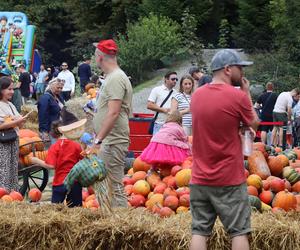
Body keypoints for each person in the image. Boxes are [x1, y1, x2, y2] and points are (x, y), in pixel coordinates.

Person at [190, 49, 260, 250]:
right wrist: (246, 94)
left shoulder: (197, 95)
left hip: (199, 177)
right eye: (240, 68)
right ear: (228, 69)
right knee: (238, 232)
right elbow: (253, 124)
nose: (242, 72)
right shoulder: (236, 96)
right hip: (228, 177)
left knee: (199, 231)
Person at [91, 39, 133, 207]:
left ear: (100, 56)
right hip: (110, 139)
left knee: (113, 187)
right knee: (107, 186)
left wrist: (98, 140)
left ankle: (120, 226)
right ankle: (110, 223)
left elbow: (114, 112)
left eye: (95, 54)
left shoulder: (116, 78)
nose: (94, 57)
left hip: (112, 140)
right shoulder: (112, 77)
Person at [31, 110, 85, 207]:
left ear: (54, 133)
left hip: (60, 182)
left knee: (56, 209)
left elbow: (51, 166)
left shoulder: (55, 147)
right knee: (76, 209)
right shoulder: (76, 145)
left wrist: (37, 161)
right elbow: (84, 159)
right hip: (75, 182)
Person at [0, 76, 27, 191]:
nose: (12, 92)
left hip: (13, 139)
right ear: (1, 90)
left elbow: (17, 124)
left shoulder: (10, 105)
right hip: (3, 142)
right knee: (4, 168)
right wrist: (16, 122)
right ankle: (4, 195)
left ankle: (13, 194)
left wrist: (20, 121)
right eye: (9, 89)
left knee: (13, 168)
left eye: (12, 89)